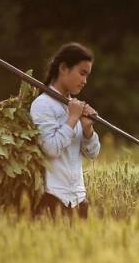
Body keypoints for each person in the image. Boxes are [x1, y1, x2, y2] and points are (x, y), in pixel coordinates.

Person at [30, 42, 100, 220]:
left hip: (78, 199)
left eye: (87, 75)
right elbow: (51, 149)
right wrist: (72, 119)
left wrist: (87, 128)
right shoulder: (43, 104)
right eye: (82, 73)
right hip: (52, 199)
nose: (85, 81)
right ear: (63, 68)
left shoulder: (73, 106)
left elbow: (92, 153)